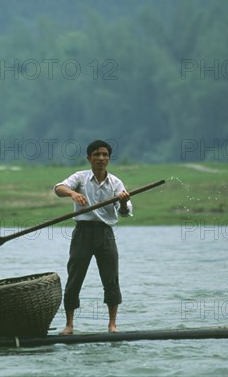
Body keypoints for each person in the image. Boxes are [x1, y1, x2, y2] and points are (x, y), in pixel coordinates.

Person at [54, 139, 133, 335]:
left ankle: (112, 325)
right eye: (97, 155)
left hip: (105, 234)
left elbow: (124, 212)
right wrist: (72, 194)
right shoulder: (80, 178)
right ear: (89, 158)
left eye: (105, 155)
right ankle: (69, 325)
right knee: (75, 277)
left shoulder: (115, 183)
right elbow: (58, 188)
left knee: (111, 279)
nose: (101, 158)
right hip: (83, 233)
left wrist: (123, 203)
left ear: (109, 158)